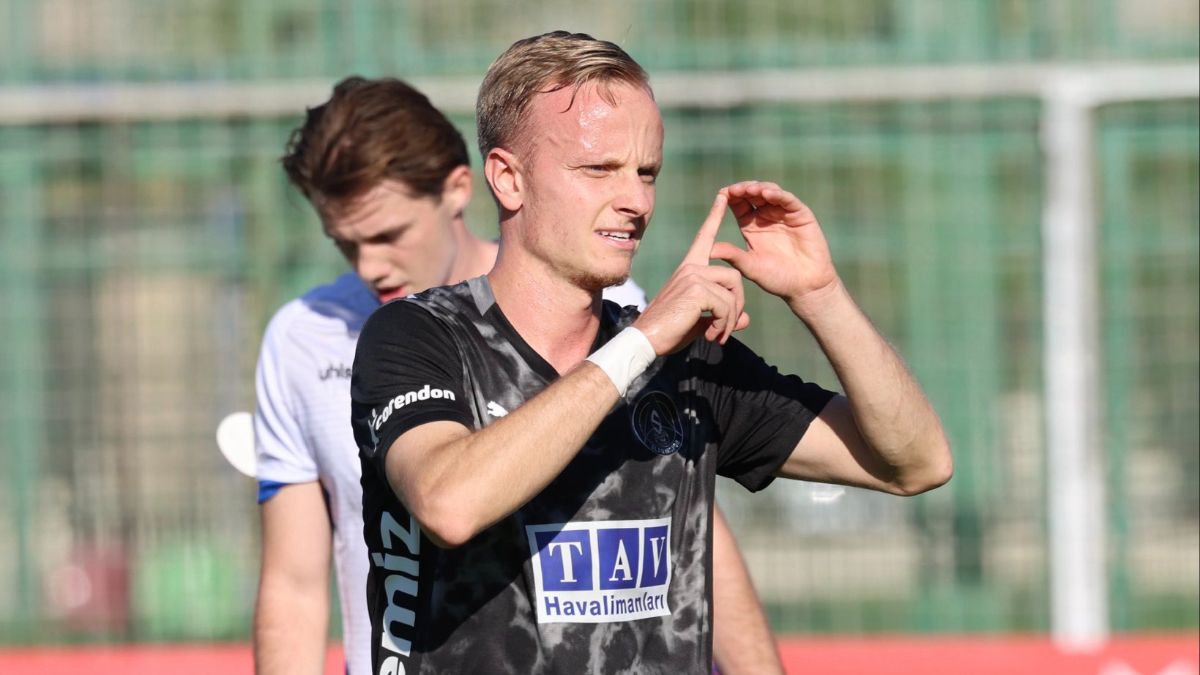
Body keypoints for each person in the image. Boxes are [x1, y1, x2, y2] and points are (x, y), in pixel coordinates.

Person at [350, 31, 953, 674]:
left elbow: (916, 463)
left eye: (647, 173)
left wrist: (820, 295)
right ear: (508, 179)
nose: (636, 201)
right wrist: (641, 342)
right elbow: (449, 503)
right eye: (598, 170)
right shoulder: (419, 335)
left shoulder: (684, 365)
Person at [252, 76, 783, 675]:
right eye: (345, 244)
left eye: (388, 235)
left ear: (458, 188)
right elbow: (294, 584)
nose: (370, 265)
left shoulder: (609, 310)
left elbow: (684, 524)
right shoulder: (301, 338)